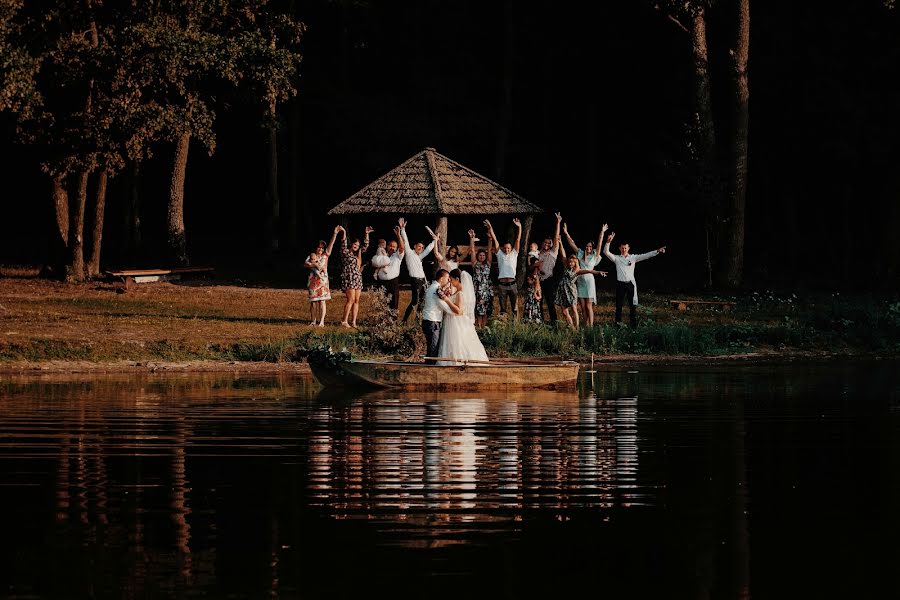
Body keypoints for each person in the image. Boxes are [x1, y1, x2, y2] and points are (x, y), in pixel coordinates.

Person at [603, 231, 666, 327]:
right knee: (619, 306)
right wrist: (608, 242)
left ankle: (633, 325)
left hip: (630, 284)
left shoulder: (633, 258)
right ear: (620, 248)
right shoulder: (616, 258)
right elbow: (606, 252)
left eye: (625, 248)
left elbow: (646, 255)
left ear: (628, 248)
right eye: (622, 248)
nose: (624, 249)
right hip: (620, 284)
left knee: (632, 306)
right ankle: (617, 325)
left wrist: (657, 251)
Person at [436, 268, 489, 365]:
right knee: (452, 343)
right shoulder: (457, 292)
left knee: (458, 343)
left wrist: (446, 300)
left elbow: (459, 311)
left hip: (456, 322)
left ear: (457, 279)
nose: (450, 282)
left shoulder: (460, 293)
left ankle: (459, 362)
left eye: (451, 279)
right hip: (451, 321)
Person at [562, 222, 607, 327]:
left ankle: (590, 326)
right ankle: (585, 325)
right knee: (582, 306)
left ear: (592, 248)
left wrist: (602, 232)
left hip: (590, 282)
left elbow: (600, 243)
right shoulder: (580, 253)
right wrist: (566, 232)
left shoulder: (595, 255)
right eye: (587, 246)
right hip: (580, 281)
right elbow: (571, 243)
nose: (588, 248)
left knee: (588, 306)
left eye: (590, 247)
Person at [555, 250, 607, 329]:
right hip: (562, 291)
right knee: (564, 311)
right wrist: (560, 242)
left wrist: (599, 272)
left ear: (575, 262)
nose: (570, 263)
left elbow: (589, 271)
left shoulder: (578, 271)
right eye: (569, 261)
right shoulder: (566, 266)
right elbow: (563, 254)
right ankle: (572, 328)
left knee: (574, 309)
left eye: (572, 262)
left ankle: (577, 327)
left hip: (571, 291)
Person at [399, 218, 435, 323]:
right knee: (415, 301)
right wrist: (403, 230)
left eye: (422, 247)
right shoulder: (409, 253)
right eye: (419, 246)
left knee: (422, 301)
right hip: (415, 280)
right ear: (415, 246)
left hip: (423, 280)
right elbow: (405, 242)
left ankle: (417, 321)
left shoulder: (420, 257)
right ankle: (404, 320)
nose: (421, 248)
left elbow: (428, 249)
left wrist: (434, 240)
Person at [338, 225, 373, 328]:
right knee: (351, 299)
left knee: (357, 300)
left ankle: (353, 321)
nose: (356, 246)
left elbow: (365, 246)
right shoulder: (345, 252)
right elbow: (343, 243)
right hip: (349, 277)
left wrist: (366, 234)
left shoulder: (357, 254)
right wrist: (343, 231)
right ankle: (344, 321)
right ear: (351, 244)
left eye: (357, 245)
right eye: (355, 244)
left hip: (357, 277)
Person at [304, 226, 340, 326]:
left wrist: (335, 234)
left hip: (323, 281)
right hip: (313, 281)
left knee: (322, 301)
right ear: (315, 248)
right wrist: (314, 264)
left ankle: (322, 322)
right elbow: (305, 264)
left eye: (322, 247)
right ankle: (313, 321)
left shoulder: (325, 255)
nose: (320, 249)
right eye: (319, 247)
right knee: (313, 302)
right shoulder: (311, 256)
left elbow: (331, 245)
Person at [487, 217, 521, 320]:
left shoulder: (514, 254)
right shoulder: (500, 254)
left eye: (508, 248)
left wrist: (519, 227)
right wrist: (490, 227)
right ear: (502, 248)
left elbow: (518, 239)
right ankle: (503, 324)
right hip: (502, 285)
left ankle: (515, 325)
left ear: (511, 249)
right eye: (505, 248)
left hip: (512, 284)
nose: (506, 249)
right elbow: (495, 240)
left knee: (514, 307)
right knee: (502, 307)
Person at [421, 269, 455, 364]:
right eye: (447, 278)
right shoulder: (436, 289)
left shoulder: (433, 287)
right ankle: (429, 370)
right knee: (433, 349)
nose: (448, 281)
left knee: (432, 348)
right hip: (432, 321)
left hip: (429, 320)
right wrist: (456, 311)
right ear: (441, 279)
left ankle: (428, 367)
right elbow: (444, 306)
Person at [537, 212, 563, 321]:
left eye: (549, 243)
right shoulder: (538, 253)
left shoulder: (553, 252)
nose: (547, 244)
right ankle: (541, 321)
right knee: (539, 302)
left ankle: (554, 323)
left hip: (548, 280)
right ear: (542, 243)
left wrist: (558, 222)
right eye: (545, 243)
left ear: (551, 244)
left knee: (550, 303)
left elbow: (556, 237)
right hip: (539, 280)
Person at [374, 226, 405, 313]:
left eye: (394, 247)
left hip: (393, 282)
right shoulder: (382, 254)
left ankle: (392, 322)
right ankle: (382, 321)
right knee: (381, 302)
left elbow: (402, 248)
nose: (392, 248)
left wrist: (398, 235)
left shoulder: (398, 256)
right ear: (387, 246)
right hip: (381, 282)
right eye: (390, 246)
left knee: (394, 302)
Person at [469, 226, 494, 327]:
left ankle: (484, 325)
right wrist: (472, 239)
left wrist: (490, 239)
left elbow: (489, 249)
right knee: (478, 306)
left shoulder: (488, 263)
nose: (482, 257)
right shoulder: (475, 264)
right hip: (477, 288)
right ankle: (478, 325)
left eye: (483, 255)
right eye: (480, 255)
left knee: (486, 306)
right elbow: (472, 250)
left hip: (486, 288)